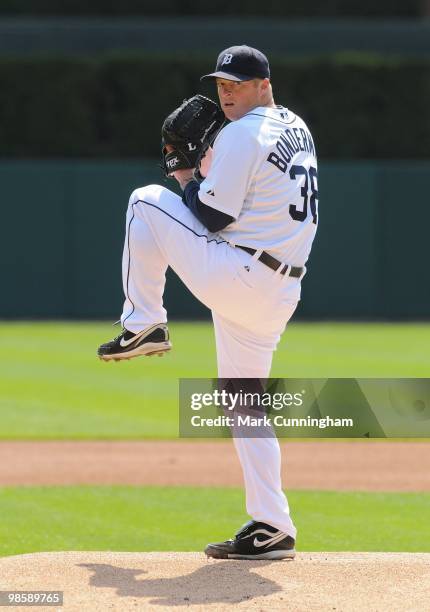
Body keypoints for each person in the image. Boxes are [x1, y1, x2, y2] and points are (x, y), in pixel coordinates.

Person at [98, 45, 318, 560]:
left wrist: (182, 169)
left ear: (264, 84)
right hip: (278, 288)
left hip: (241, 273)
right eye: (221, 84)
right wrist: (202, 170)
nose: (226, 93)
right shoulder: (295, 125)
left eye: (237, 84)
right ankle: (273, 525)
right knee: (244, 401)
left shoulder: (243, 132)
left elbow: (211, 218)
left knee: (144, 201)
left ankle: (145, 323)